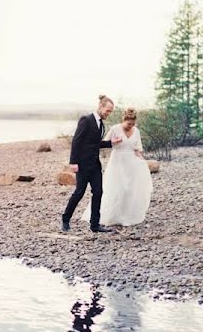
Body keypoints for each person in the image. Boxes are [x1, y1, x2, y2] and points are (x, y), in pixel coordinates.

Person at [82, 107, 152, 227]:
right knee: (116, 187)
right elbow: (102, 144)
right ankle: (110, 215)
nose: (131, 126)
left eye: (133, 124)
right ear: (123, 120)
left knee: (129, 189)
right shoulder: (115, 129)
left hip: (131, 163)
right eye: (129, 123)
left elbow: (138, 149)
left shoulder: (136, 131)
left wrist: (142, 161)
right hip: (117, 162)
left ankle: (126, 215)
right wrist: (113, 142)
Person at [61, 95, 116, 233]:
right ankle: (65, 219)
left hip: (95, 165)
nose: (108, 114)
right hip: (82, 165)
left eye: (110, 112)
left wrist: (112, 143)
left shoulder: (101, 124)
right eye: (108, 111)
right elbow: (76, 141)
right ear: (101, 106)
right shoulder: (86, 120)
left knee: (98, 192)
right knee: (79, 192)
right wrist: (73, 162)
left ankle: (95, 225)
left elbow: (95, 144)